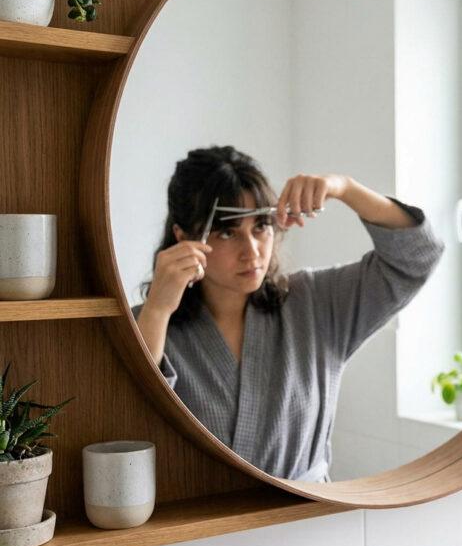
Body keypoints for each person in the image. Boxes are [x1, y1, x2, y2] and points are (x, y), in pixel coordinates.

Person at [133, 145, 444, 482]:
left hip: (309, 510)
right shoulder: (151, 325)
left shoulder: (315, 303)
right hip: (204, 515)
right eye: (228, 232)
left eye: (260, 227)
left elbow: (417, 256)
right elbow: (129, 420)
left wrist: (344, 188)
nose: (252, 251)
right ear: (183, 237)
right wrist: (158, 311)